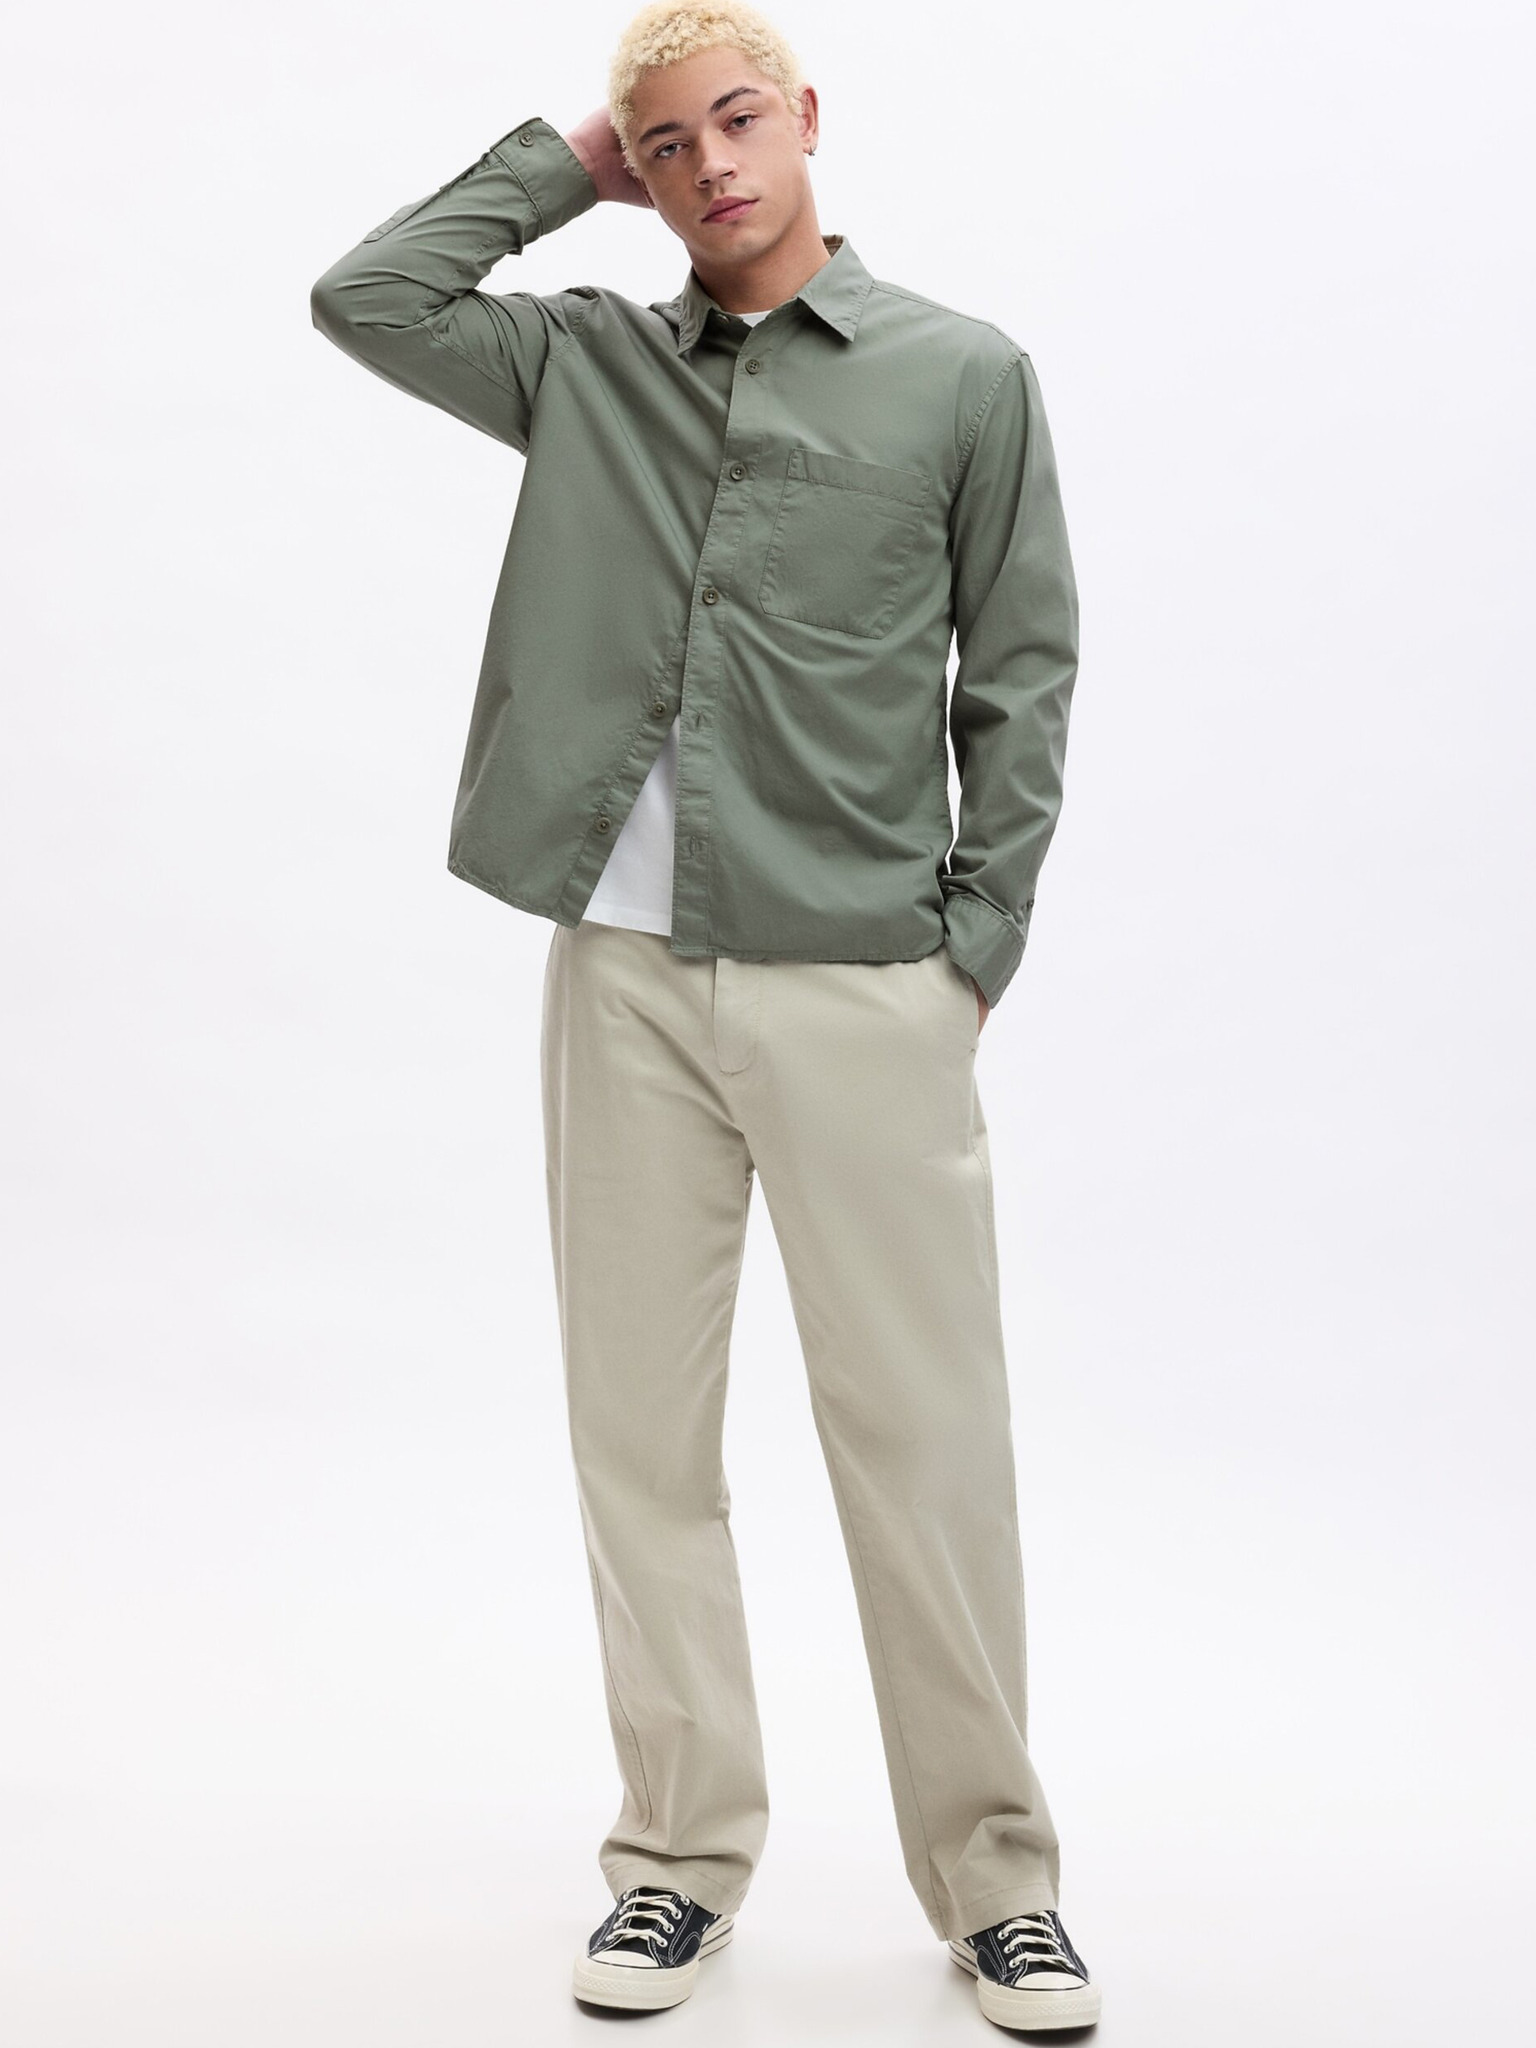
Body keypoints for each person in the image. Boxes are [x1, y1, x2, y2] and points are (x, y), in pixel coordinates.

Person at [310, 0, 1097, 2029]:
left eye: (737, 120)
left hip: (868, 978)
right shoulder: (584, 366)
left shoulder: (964, 374)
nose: (710, 165)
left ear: (808, 115)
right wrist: (572, 155)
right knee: (637, 1439)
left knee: (924, 1443)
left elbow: (1021, 669)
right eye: (668, 146)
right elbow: (366, 298)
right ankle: (674, 1859)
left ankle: (997, 1882)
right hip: (623, 978)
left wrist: (976, 942)